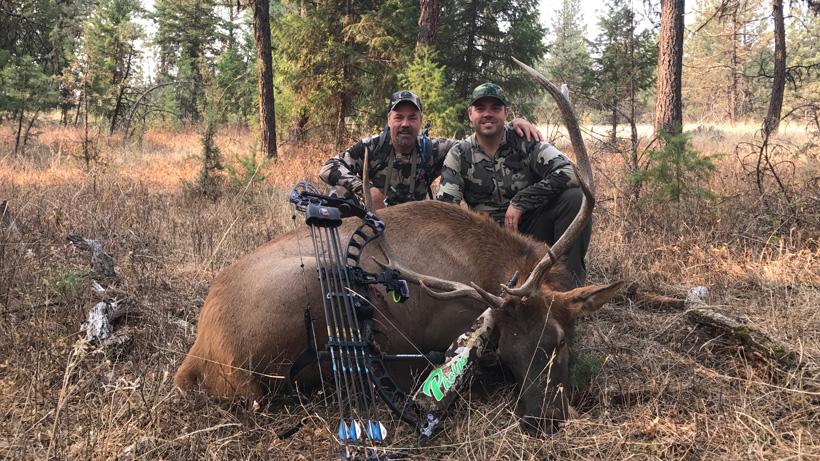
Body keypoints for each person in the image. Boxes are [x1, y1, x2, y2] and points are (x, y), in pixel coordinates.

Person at [436, 83, 591, 285]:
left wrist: (522, 201)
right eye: (481, 108)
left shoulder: (525, 141)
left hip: (531, 231)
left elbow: (571, 172)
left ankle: (567, 291)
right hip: (486, 240)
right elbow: (446, 210)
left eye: (495, 108)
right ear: (470, 114)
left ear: (505, 112)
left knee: (575, 199)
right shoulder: (459, 154)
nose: (488, 114)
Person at [319, 90, 542, 210]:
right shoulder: (371, 146)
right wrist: (365, 189)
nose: (405, 124)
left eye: (412, 118)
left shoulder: (433, 149)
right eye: (399, 117)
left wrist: (511, 126)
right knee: (339, 195)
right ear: (389, 120)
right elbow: (328, 168)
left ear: (420, 121)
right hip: (373, 220)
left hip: (415, 227)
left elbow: (475, 145)